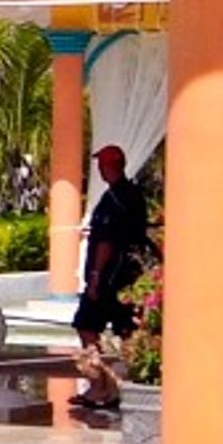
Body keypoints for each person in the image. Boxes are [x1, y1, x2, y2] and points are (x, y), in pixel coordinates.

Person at [75, 141, 151, 345]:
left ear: (106, 167)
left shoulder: (116, 198)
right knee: (126, 329)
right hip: (128, 273)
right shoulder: (132, 195)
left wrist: (95, 277)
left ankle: (100, 374)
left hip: (109, 277)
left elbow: (106, 241)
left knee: (86, 325)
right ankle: (117, 372)